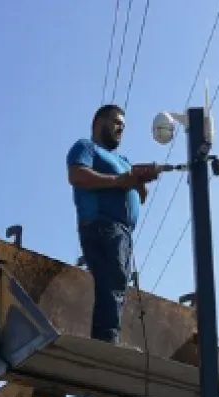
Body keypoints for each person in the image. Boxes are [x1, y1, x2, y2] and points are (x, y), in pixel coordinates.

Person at [66, 104, 157, 344]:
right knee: (112, 280)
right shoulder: (86, 147)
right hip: (101, 224)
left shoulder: (123, 159)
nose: (120, 130)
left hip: (123, 231)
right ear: (99, 123)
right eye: (116, 123)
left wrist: (139, 182)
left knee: (116, 282)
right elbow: (76, 175)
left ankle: (108, 337)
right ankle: (107, 340)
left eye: (123, 126)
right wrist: (119, 181)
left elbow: (141, 196)